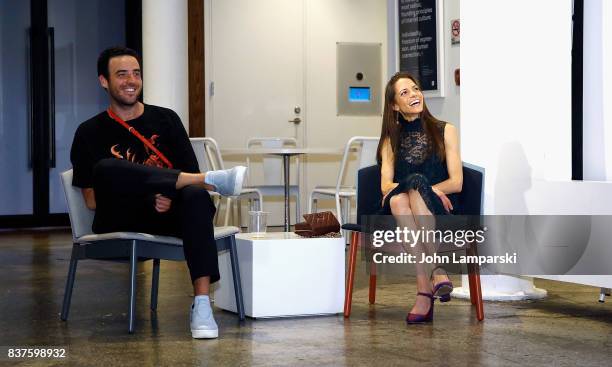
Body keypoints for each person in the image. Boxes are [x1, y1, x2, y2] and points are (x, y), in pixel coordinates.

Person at [70, 46, 247, 339]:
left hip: (167, 213)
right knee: (108, 168)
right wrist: (150, 194)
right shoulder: (90, 131)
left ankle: (202, 304)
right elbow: (91, 199)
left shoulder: (166, 120)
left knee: (195, 195)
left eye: (136, 74)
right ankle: (215, 179)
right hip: (119, 216)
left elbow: (188, 179)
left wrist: (170, 195)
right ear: (104, 81)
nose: (131, 80)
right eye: (121, 74)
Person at [376, 72, 462, 324]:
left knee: (406, 193)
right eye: (404, 93)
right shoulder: (391, 138)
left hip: (437, 209)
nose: (414, 95)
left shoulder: (446, 130)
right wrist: (419, 184)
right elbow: (385, 185)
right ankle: (436, 272)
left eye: (415, 89)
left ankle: (424, 292)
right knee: (398, 198)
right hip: (401, 209)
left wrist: (428, 189)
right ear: (394, 105)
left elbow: (456, 183)